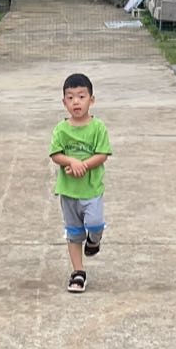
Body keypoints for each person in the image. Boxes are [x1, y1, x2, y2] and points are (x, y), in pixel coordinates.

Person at [49, 72, 111, 293]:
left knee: (94, 223)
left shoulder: (98, 128)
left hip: (91, 189)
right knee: (74, 232)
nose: (76, 102)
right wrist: (70, 160)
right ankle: (78, 272)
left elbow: (102, 154)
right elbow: (56, 154)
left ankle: (94, 240)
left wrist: (82, 165)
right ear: (64, 102)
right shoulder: (61, 130)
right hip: (68, 191)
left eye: (81, 96)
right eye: (71, 97)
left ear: (91, 100)